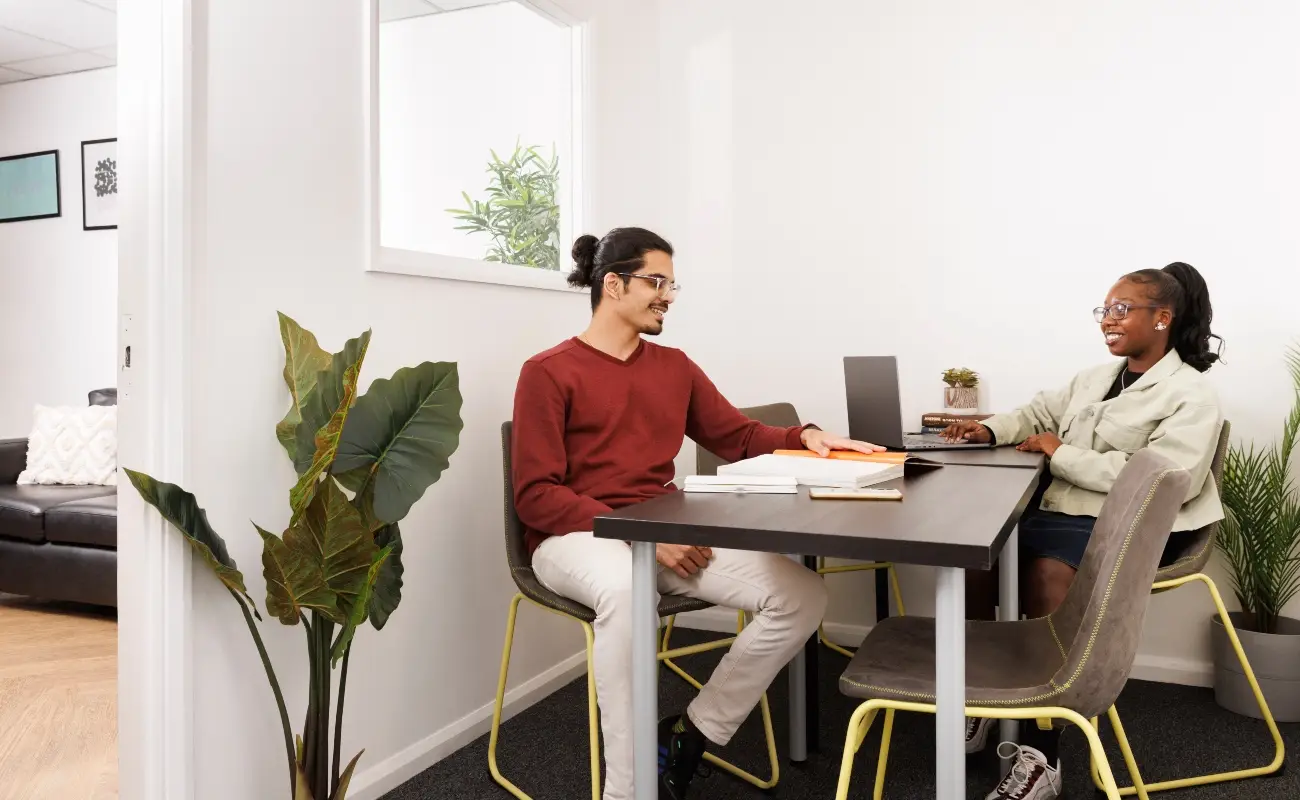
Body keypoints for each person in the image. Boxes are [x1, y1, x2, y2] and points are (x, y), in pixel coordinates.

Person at [512, 227, 883, 800]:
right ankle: (628, 789)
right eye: (655, 282)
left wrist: (805, 435)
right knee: (626, 590)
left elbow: (736, 435)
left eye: (672, 283)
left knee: (802, 596)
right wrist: (642, 540)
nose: (668, 295)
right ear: (613, 284)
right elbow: (536, 495)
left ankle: (694, 731)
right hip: (571, 538)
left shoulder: (674, 367)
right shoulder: (548, 371)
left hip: (659, 534)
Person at [943, 262, 1224, 800]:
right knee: (975, 557)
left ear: (1162, 318)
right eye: (1105, 310)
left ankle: (1042, 755)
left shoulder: (1191, 395)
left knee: (1048, 576)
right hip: (1066, 510)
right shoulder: (1095, 378)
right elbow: (1037, 411)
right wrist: (988, 428)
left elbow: (1160, 478)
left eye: (1122, 310)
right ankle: (980, 701)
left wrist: (1061, 452)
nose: (1108, 321)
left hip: (1127, 522)